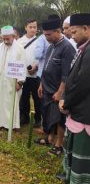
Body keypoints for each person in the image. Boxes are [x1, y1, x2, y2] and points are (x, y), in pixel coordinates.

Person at [37, 16, 75, 155]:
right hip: (46, 87)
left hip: (57, 89)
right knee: (47, 115)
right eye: (45, 34)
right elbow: (45, 67)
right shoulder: (51, 45)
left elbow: (67, 75)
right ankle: (49, 138)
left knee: (59, 118)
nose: (46, 37)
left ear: (58, 31)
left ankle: (59, 146)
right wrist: (41, 84)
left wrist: (60, 92)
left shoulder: (67, 48)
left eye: (49, 34)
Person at [59, 13, 90, 184]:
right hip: (79, 111)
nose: (71, 35)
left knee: (82, 157)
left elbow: (82, 84)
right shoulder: (84, 48)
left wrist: (66, 102)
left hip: (85, 113)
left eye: (74, 31)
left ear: (86, 29)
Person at [0, 26, 26, 130]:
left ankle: (11, 125)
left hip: (12, 80)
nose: (5, 40)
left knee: (11, 102)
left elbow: (22, 65)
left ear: (13, 36)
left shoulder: (19, 48)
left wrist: (20, 82)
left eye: (7, 38)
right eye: (3, 38)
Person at [18, 19, 41, 127]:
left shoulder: (41, 40)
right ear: (25, 27)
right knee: (24, 97)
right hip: (24, 75)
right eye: (30, 27)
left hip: (36, 75)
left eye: (34, 27)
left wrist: (36, 67)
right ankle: (25, 117)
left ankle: (37, 119)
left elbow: (43, 57)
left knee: (37, 98)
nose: (33, 29)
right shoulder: (19, 42)